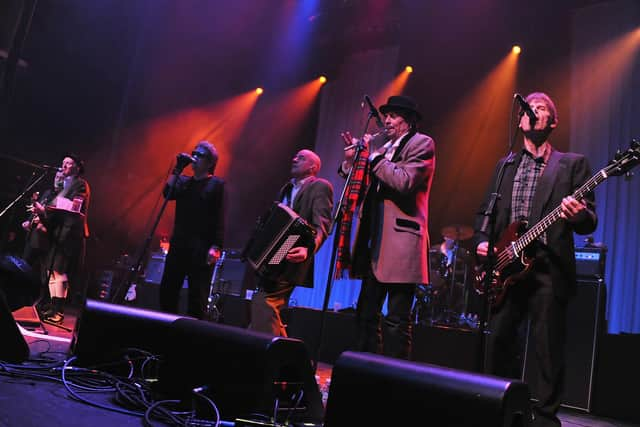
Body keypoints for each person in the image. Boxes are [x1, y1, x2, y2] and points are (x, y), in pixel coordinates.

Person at [472, 92, 597, 427]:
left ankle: (544, 419)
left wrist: (577, 214)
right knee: (498, 340)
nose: (533, 110)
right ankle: (502, 409)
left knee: (546, 349)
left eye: (541, 108)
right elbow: (486, 212)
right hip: (507, 266)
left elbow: (590, 220)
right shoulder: (505, 165)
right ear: (520, 119)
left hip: (548, 267)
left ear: (552, 122)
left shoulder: (572, 164)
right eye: (528, 106)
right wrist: (484, 242)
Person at [339, 95, 435, 360]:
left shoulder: (422, 144)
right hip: (375, 241)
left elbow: (404, 181)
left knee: (396, 320)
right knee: (365, 314)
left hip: (402, 243)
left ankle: (394, 380)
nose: (387, 121)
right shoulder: (386, 148)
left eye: (393, 116)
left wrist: (374, 158)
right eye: (387, 116)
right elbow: (363, 182)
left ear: (409, 121)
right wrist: (352, 161)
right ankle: (364, 371)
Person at [249, 149, 333, 336]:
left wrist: (308, 249)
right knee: (264, 302)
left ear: (313, 167)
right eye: (294, 156)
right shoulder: (286, 189)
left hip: (294, 248)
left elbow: (323, 226)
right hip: (275, 251)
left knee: (265, 300)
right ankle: (284, 354)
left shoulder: (320, 186)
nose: (294, 159)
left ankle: (270, 354)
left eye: (301, 158)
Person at [159, 141, 225, 319]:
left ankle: (192, 336)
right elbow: (167, 193)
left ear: (210, 162)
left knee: (197, 296)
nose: (194, 157)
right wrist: (177, 169)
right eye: (193, 153)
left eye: (199, 155)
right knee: (167, 290)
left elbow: (219, 217)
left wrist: (216, 246)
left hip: (201, 247)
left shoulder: (217, 185)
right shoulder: (184, 182)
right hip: (179, 243)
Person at [31, 154, 90, 324]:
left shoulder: (80, 184)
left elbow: (74, 206)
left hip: (69, 233)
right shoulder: (64, 184)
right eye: (63, 163)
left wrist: (46, 210)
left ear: (77, 167)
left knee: (59, 270)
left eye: (68, 163)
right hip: (58, 232)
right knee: (52, 271)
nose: (63, 166)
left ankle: (59, 310)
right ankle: (52, 305)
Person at [21, 169, 64, 311]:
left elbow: (55, 218)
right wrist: (29, 220)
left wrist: (42, 213)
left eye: (61, 177)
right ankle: (19, 297)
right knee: (23, 267)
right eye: (57, 176)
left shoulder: (63, 197)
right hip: (34, 236)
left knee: (45, 275)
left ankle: (43, 303)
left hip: (48, 240)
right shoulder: (47, 193)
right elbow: (37, 210)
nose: (57, 179)